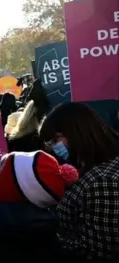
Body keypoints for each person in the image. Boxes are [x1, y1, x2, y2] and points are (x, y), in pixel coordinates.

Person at [39, 102, 119, 260]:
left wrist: (45, 239)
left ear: (78, 132)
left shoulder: (103, 182)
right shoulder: (87, 168)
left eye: (55, 139)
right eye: (49, 143)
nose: (50, 148)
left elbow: (98, 252)